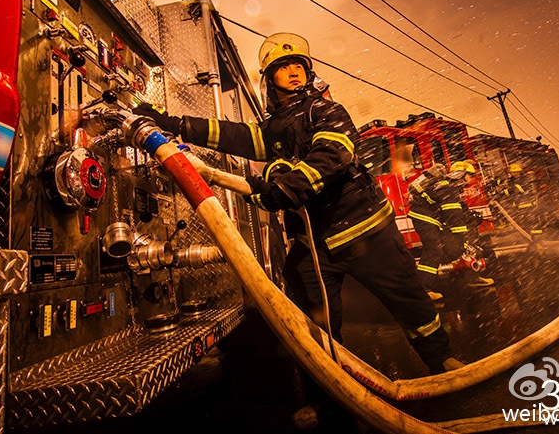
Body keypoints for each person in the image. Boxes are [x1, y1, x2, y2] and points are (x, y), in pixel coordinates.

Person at [135, 32, 462, 375]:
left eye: (299, 66)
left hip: (366, 234)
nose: (294, 72)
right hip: (315, 243)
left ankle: (443, 361)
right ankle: (330, 385)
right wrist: (175, 124)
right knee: (313, 319)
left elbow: (332, 155)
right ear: (269, 79)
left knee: (409, 302)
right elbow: (232, 135)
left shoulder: (326, 110)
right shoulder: (274, 129)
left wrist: (283, 189)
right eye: (284, 67)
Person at [407, 161, 493, 301]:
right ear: (461, 174)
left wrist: (470, 217)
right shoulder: (448, 187)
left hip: (431, 218)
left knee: (457, 249)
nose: (471, 179)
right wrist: (460, 234)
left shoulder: (448, 186)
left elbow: (459, 208)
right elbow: (453, 213)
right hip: (425, 219)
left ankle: (471, 279)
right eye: (470, 175)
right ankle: (423, 290)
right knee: (434, 250)